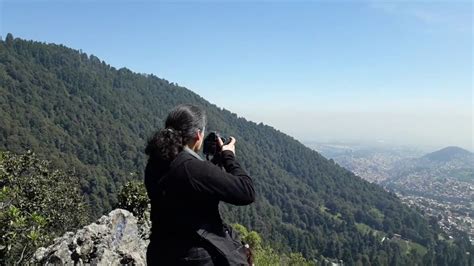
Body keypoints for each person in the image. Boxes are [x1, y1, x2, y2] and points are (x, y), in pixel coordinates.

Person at [144, 104, 255, 265]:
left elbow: (192, 187)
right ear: (198, 134)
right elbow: (247, 191)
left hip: (160, 253)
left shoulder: (156, 162)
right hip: (195, 257)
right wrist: (229, 156)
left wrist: (214, 163)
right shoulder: (192, 169)